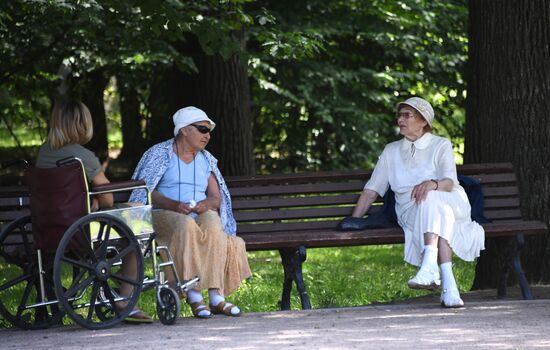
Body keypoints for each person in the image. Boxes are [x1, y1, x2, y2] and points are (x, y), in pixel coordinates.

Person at [349, 97, 485, 308]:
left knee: (432, 198)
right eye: (399, 115)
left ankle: (429, 266)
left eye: (407, 115)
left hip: (452, 201)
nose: (400, 119)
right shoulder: (391, 151)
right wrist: (353, 220)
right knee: (438, 215)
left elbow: (449, 182)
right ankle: (450, 288)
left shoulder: (440, 144)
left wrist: (432, 183)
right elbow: (372, 189)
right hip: (411, 210)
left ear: (423, 121)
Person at [36, 100, 153, 323]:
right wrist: (97, 201)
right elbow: (108, 197)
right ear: (82, 125)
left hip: (51, 226)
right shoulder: (83, 156)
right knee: (137, 221)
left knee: (123, 219)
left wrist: (90, 202)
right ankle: (125, 298)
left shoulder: (44, 153)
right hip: (83, 229)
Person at [129, 106, 252, 318]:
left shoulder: (206, 159)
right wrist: (173, 204)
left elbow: (216, 197)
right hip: (161, 214)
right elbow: (146, 191)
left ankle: (216, 297)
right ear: (184, 130)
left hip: (196, 213)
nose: (208, 135)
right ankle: (195, 296)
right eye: (203, 129)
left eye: (209, 130)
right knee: (185, 224)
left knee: (213, 223)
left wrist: (207, 204)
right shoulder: (160, 154)